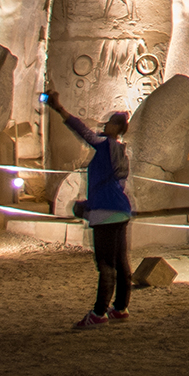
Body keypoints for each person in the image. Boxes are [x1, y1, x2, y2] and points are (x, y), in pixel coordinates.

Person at [46, 92, 134, 327]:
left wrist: (59, 108)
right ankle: (120, 307)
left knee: (105, 263)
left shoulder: (105, 145)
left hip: (104, 212)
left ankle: (98, 313)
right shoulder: (121, 153)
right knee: (120, 261)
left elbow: (82, 131)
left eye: (108, 124)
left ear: (115, 127)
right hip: (120, 210)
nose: (103, 127)